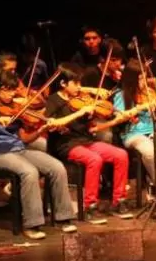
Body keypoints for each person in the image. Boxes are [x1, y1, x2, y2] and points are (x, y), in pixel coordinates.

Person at [0, 70, 78, 240]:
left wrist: (41, 129)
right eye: (7, 90)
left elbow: (24, 138)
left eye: (13, 90)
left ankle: (63, 217)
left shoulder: (14, 109)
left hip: (19, 150)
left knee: (57, 167)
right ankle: (31, 224)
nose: (11, 94)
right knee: (29, 172)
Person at [43, 63, 131, 222]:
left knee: (121, 155)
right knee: (94, 159)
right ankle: (90, 206)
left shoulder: (80, 100)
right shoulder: (53, 100)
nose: (80, 87)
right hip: (66, 145)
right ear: (63, 84)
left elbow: (91, 125)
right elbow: (53, 124)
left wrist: (92, 115)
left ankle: (119, 201)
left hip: (86, 141)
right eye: (75, 83)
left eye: (80, 83)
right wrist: (81, 113)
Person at [94, 59, 156, 199]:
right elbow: (120, 115)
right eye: (140, 77)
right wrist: (135, 110)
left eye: (144, 76)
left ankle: (152, 181)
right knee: (149, 152)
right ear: (131, 78)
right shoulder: (121, 95)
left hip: (153, 130)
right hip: (133, 134)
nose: (144, 80)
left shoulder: (149, 93)